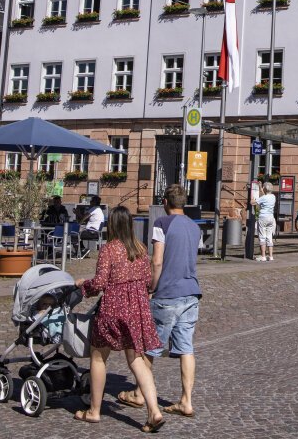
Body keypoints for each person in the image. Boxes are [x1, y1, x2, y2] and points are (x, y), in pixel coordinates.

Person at [74, 206, 166, 433]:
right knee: (137, 359)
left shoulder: (109, 249)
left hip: (114, 308)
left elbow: (99, 283)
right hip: (137, 309)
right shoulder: (140, 248)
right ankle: (154, 411)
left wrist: (82, 285)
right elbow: (147, 280)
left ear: (112, 225)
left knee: (98, 357)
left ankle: (94, 411)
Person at [119, 183, 201, 419]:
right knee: (186, 348)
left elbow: (157, 261)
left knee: (149, 347)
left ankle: (139, 393)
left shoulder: (162, 223)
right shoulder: (194, 228)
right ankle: (186, 401)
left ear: (165, 202)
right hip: (191, 292)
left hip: (168, 293)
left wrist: (150, 287)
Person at [254, 182, 277, 262]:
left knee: (262, 237)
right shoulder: (273, 197)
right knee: (269, 237)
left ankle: (263, 256)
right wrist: (261, 187)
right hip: (271, 218)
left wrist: (252, 198)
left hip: (263, 217)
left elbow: (253, 202)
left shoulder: (263, 198)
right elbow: (265, 195)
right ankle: (271, 256)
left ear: (265, 188)